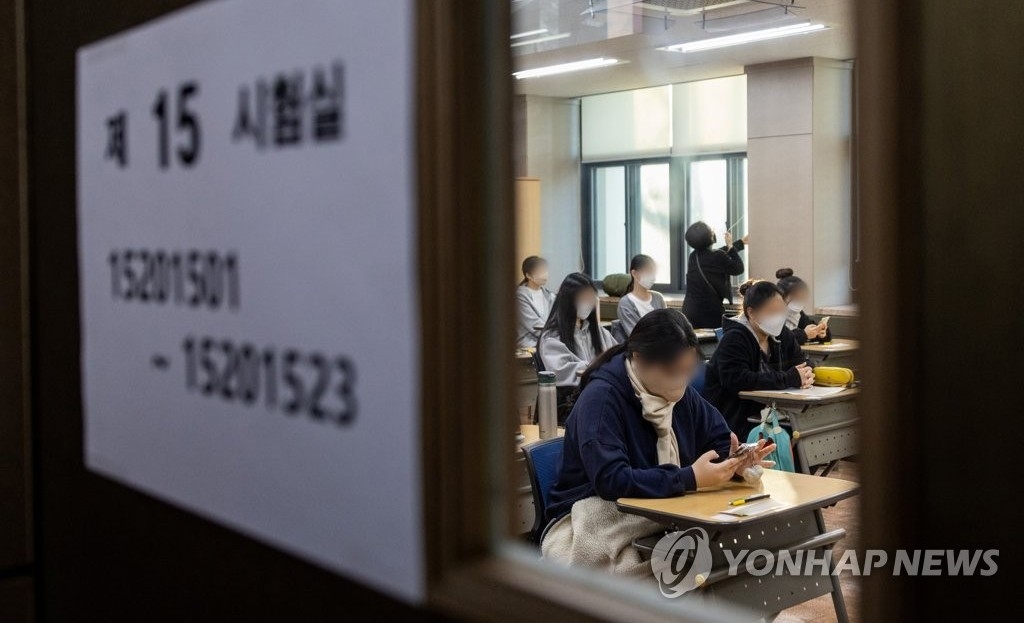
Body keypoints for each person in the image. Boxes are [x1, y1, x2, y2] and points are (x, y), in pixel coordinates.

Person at [541, 308, 774, 574]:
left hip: (658, 505)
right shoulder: (601, 400)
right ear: (639, 358)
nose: (681, 381)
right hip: (591, 511)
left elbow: (718, 438)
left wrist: (734, 463)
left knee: (737, 554)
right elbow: (611, 480)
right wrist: (689, 478)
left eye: (688, 371)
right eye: (673, 371)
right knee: (672, 573)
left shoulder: (677, 391)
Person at [703, 280, 815, 437]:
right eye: (772, 312)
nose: (778, 318)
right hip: (735, 419)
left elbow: (802, 361)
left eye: (781, 311)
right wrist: (787, 379)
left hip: (771, 415)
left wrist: (807, 373)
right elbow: (737, 380)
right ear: (752, 313)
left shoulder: (782, 334)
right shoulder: (734, 339)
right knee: (793, 435)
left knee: (806, 429)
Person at [538, 272, 617, 387]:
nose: (587, 304)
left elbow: (618, 356)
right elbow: (560, 372)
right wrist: (598, 367)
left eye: (590, 299)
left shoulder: (600, 332)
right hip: (576, 394)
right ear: (568, 300)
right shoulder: (552, 337)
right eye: (582, 299)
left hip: (603, 387)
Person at [680, 221, 748, 329]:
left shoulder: (693, 256)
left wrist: (740, 243)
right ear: (709, 237)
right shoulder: (717, 256)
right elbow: (738, 268)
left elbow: (717, 255)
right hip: (709, 313)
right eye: (711, 230)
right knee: (711, 339)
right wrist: (730, 245)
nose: (714, 230)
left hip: (690, 311)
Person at [775, 267, 832, 345]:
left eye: (801, 299)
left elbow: (812, 328)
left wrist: (821, 332)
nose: (798, 303)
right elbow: (779, 339)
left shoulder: (799, 315)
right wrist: (804, 334)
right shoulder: (773, 315)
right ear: (781, 297)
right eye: (795, 298)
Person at [616, 254, 666, 335]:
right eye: (648, 272)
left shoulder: (658, 298)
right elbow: (634, 335)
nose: (653, 278)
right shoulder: (625, 303)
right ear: (634, 274)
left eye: (654, 273)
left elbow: (667, 325)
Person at [515, 256, 556, 348]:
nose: (545, 274)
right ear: (528, 275)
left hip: (547, 341)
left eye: (545, 270)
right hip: (528, 344)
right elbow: (534, 325)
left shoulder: (549, 295)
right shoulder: (520, 295)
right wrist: (554, 336)